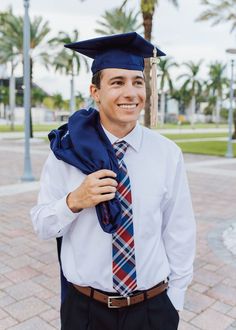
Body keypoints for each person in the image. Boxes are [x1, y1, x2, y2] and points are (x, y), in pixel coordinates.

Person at [31, 32, 196, 330]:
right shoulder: (66, 154)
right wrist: (74, 201)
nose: (131, 93)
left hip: (153, 309)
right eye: (117, 82)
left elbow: (179, 232)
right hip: (85, 311)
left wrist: (175, 301)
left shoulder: (168, 154)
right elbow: (42, 225)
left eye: (137, 81)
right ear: (95, 91)